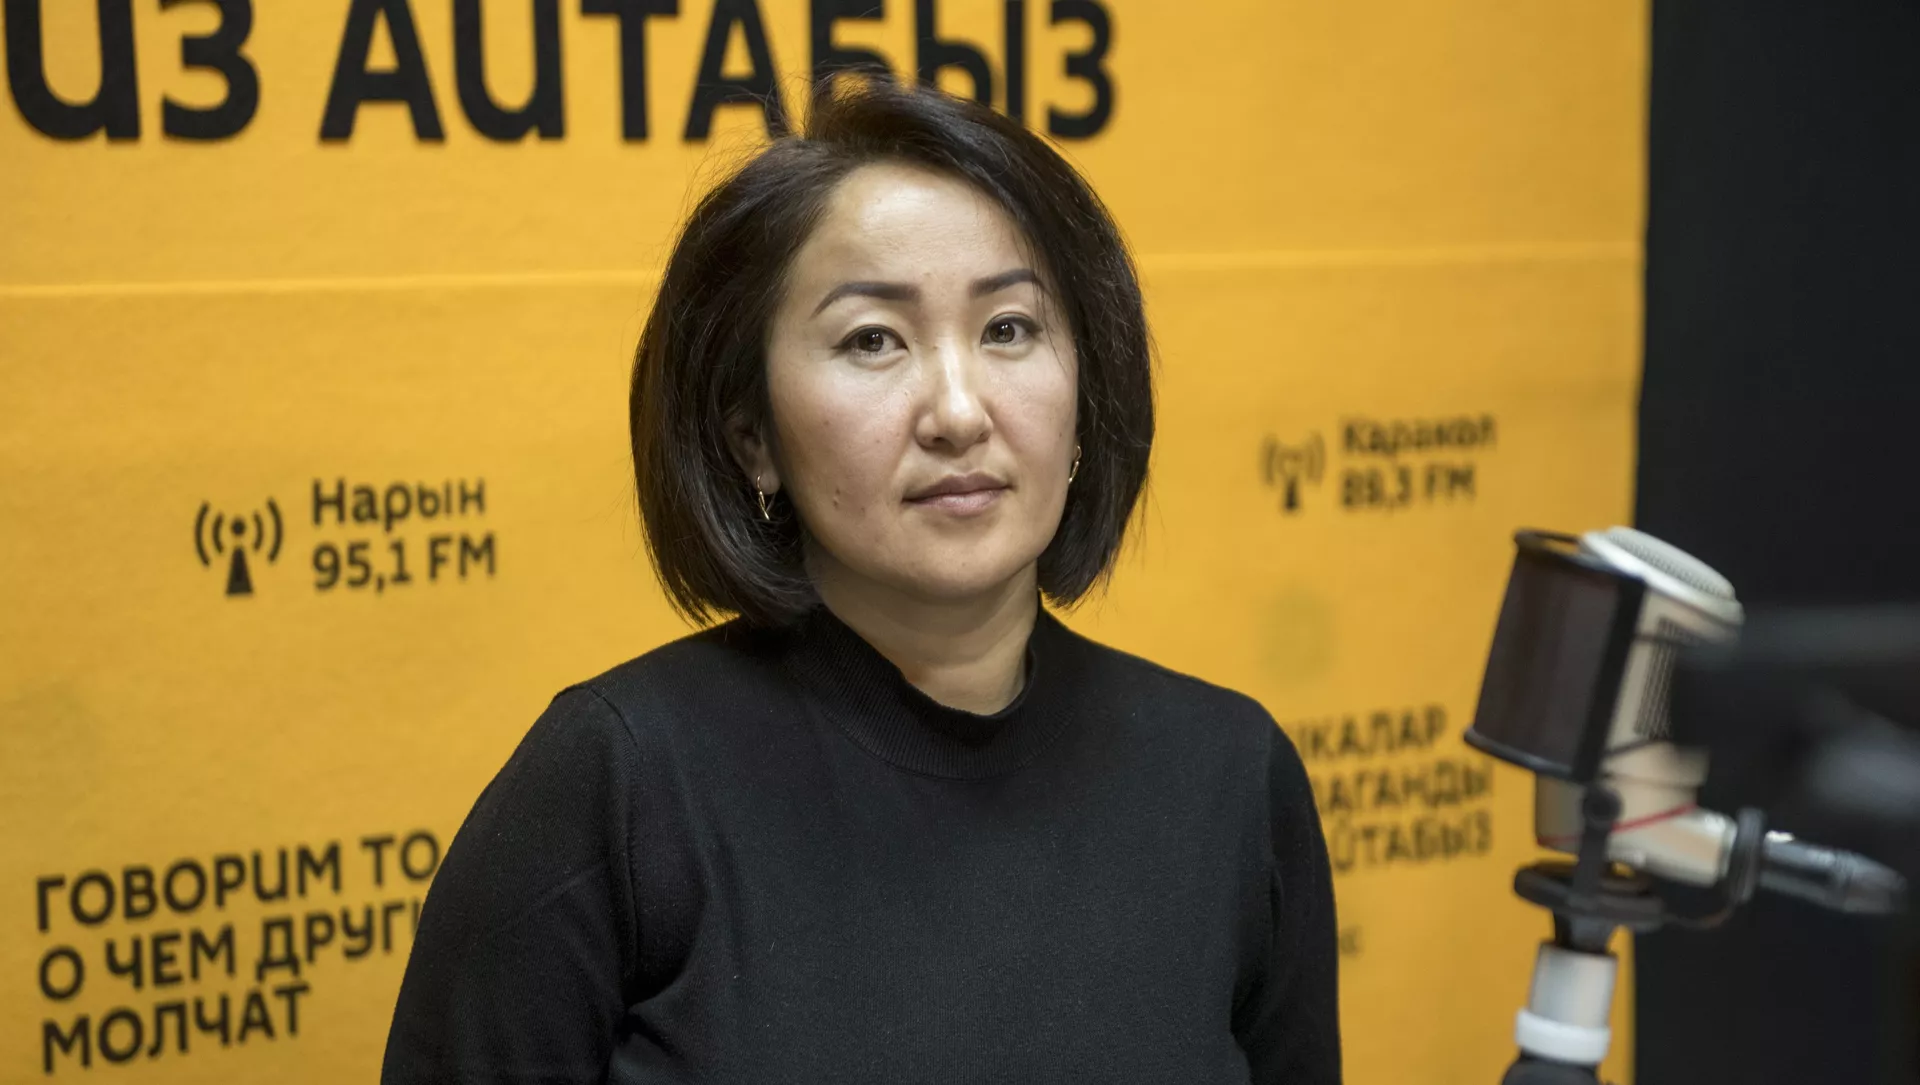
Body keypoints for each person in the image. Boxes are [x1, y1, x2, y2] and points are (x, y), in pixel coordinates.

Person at [380, 78, 1339, 1084]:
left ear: (1085, 391)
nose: (959, 412)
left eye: (1009, 328)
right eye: (872, 339)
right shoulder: (618, 784)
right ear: (752, 435)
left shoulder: (1229, 775)